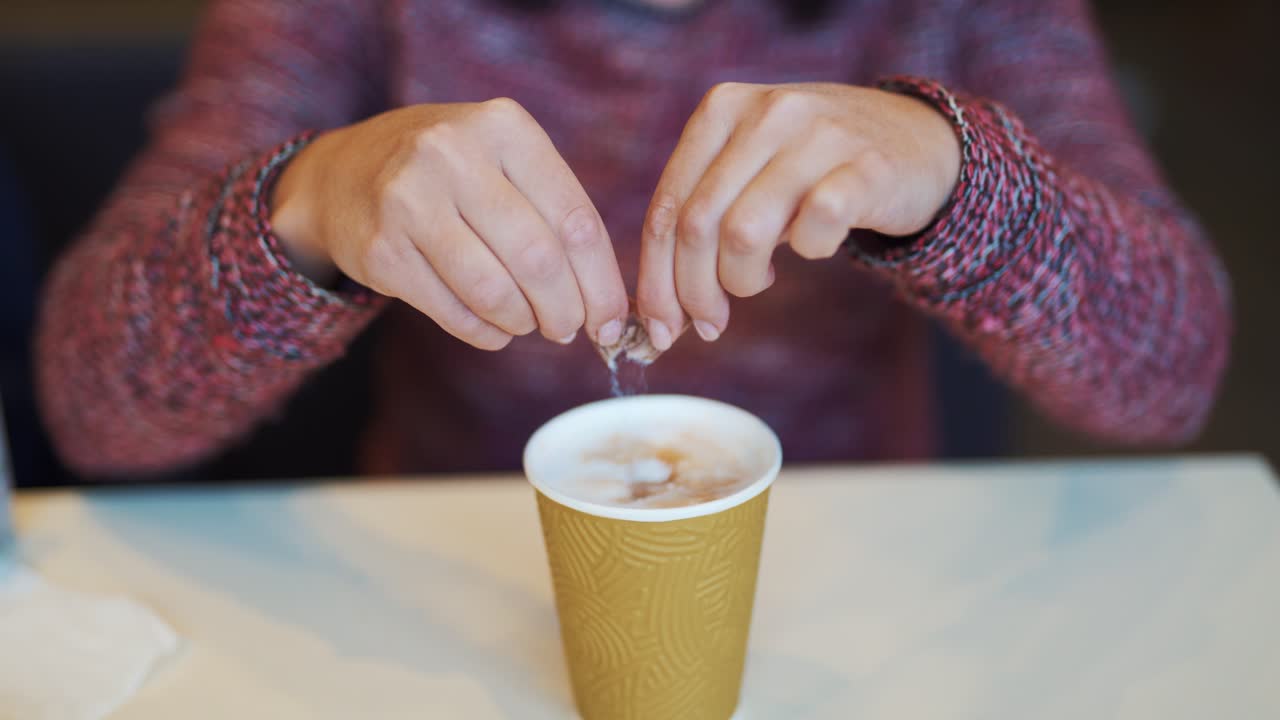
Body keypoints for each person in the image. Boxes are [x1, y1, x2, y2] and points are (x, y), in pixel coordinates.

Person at [36, 0, 1231, 478]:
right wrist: (305, 205)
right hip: (448, 569)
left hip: (861, 579)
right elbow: (95, 407)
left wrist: (956, 178)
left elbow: (1170, 371)